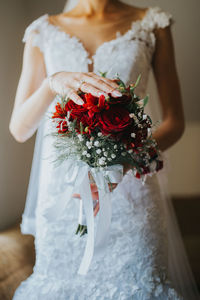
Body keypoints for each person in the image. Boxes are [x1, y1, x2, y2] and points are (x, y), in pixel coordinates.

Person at [10, 0, 199, 299]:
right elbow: (19, 129)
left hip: (132, 192)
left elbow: (175, 122)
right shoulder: (42, 32)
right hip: (64, 195)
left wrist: (124, 162)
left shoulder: (153, 25)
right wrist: (52, 83)